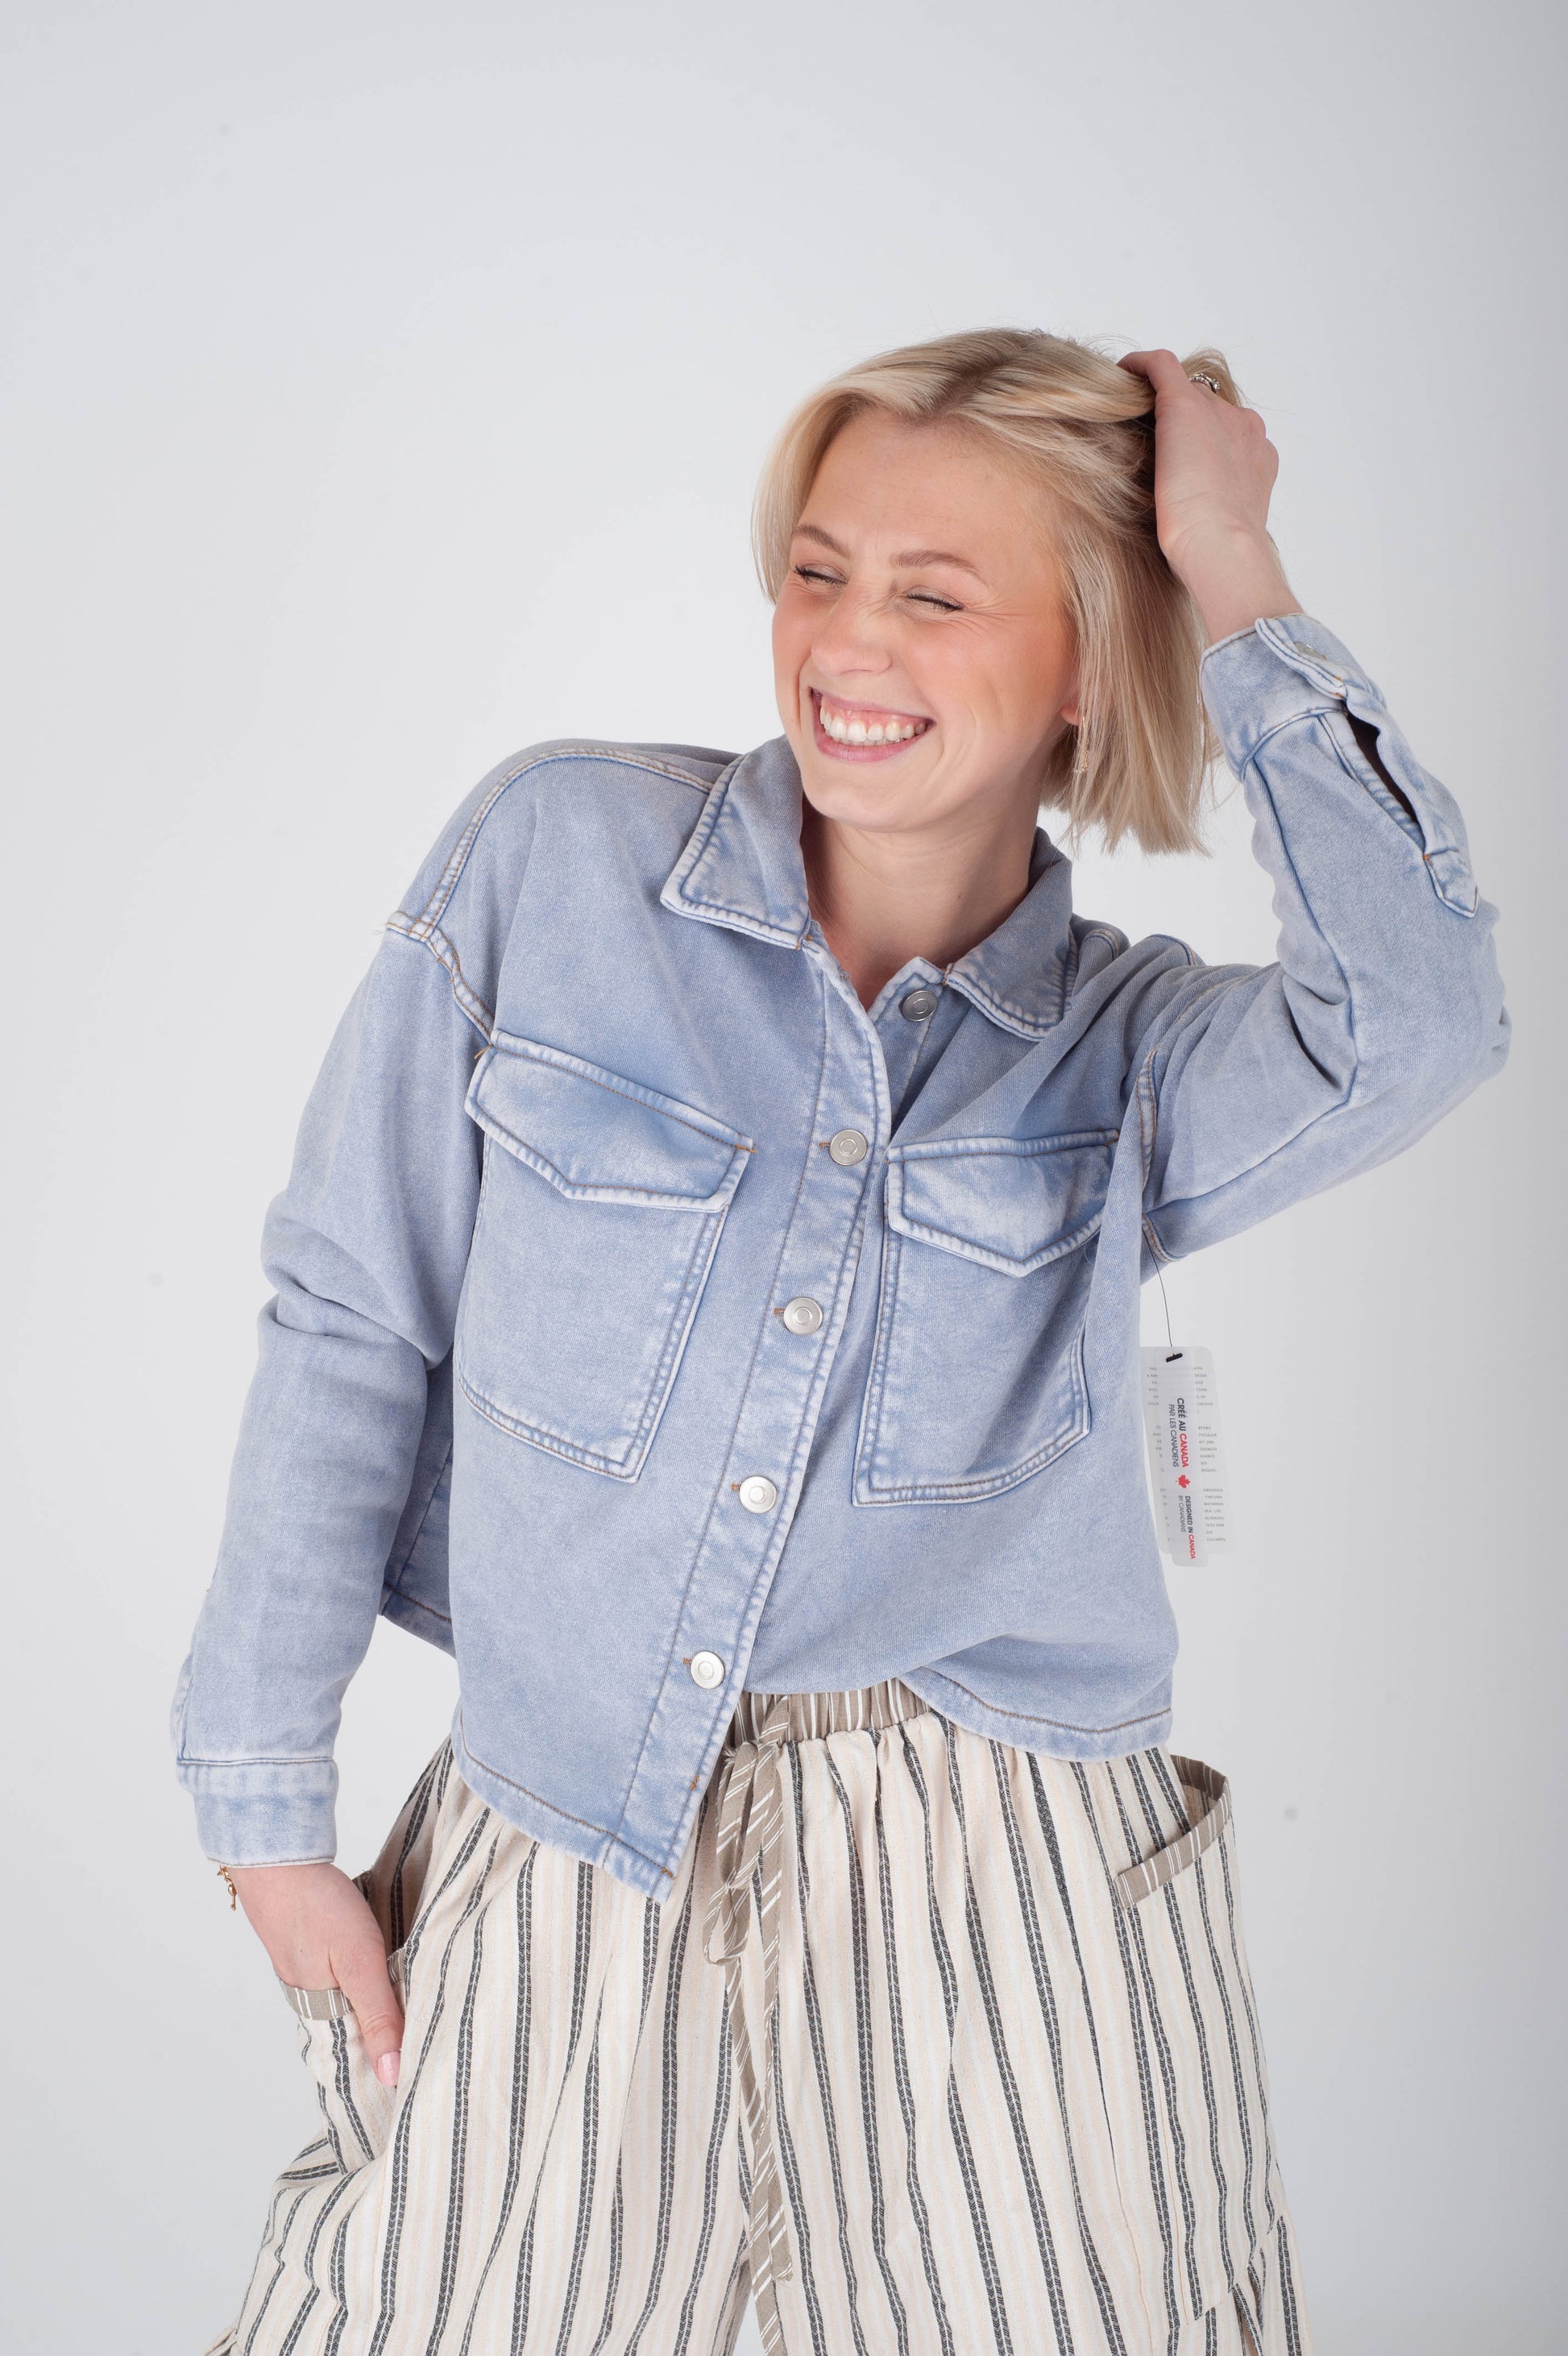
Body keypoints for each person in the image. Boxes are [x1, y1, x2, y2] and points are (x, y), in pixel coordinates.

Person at [172, 330, 1507, 2356]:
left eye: (933, 591)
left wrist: (1226, 560)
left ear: (1082, 666)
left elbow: (1415, 1023)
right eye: (816, 570)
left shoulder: (1129, 1058)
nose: (843, 642)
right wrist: (266, 1803)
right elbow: (352, 1303)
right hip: (566, 1829)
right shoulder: (552, 863)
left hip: (1008, 1881)